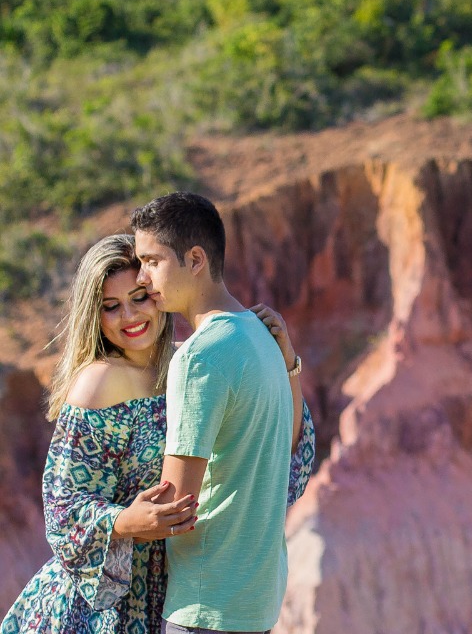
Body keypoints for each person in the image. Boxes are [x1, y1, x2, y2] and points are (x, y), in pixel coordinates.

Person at [0, 235, 315, 633]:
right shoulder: (100, 382)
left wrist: (287, 363)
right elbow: (62, 507)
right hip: (105, 607)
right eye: (110, 307)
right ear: (93, 315)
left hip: (187, 592)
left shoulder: (195, 362)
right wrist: (125, 522)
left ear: (159, 294)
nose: (129, 316)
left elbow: (287, 462)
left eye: (139, 297)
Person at [130, 192, 306, 634]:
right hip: (256, 601)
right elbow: (292, 446)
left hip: (205, 605)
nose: (141, 277)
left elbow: (174, 506)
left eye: (152, 261)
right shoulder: (264, 334)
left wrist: (114, 521)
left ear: (194, 259)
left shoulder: (200, 358)